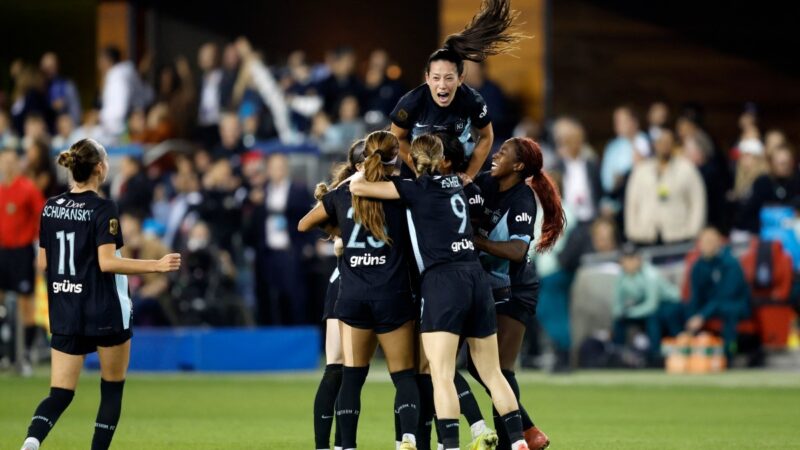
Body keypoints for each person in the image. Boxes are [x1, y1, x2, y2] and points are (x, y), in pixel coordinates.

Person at [350, 134, 530, 450]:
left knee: (442, 373)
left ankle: (450, 445)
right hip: (476, 277)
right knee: (493, 373)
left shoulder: (416, 189)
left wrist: (375, 161)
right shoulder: (456, 184)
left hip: (443, 281)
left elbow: (358, 187)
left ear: (413, 160)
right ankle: (517, 443)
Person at [19, 138, 180, 450]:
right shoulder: (104, 208)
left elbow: (42, 262)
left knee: (60, 393)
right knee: (112, 389)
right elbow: (107, 262)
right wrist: (156, 265)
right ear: (100, 169)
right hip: (102, 308)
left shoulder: (50, 207)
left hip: (66, 308)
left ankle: (31, 441)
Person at [299, 131, 419, 450]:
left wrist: (339, 229)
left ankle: (343, 446)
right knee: (405, 375)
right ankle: (406, 439)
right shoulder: (402, 193)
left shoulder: (342, 196)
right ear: (396, 159)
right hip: (392, 293)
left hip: (352, 296)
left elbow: (302, 225)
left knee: (350, 376)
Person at [470, 137, 564, 450]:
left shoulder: (523, 198)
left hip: (516, 288)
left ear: (519, 166)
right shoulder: (485, 182)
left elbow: (517, 249)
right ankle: (526, 431)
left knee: (498, 369)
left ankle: (516, 439)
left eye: (503, 153)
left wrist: (477, 242)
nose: (495, 155)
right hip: (487, 284)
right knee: (479, 365)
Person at [389, 0, 526, 179]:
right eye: (436, 78)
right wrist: (418, 169)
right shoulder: (411, 102)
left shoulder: (472, 100)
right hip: (419, 177)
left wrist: (468, 176)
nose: (442, 85)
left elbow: (486, 137)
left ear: (460, 79)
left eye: (449, 78)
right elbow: (396, 138)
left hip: (457, 174)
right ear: (427, 78)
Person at [307, 138, 366, 450]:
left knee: (339, 369)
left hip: (342, 281)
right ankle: (340, 444)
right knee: (343, 369)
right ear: (359, 166)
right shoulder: (359, 196)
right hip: (353, 284)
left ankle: (330, 445)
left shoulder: (344, 196)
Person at [0, 148, 46, 376]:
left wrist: (40, 250)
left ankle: (26, 354)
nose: (6, 165)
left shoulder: (27, 189)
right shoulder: (0, 190)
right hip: (2, 251)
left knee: (25, 305)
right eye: (3, 161)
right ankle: (5, 353)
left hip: (22, 251)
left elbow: (43, 217)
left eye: (10, 161)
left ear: (18, 163)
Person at [624, 129, 706, 245]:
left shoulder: (687, 169)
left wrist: (693, 231)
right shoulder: (641, 171)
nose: (664, 146)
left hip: (678, 234)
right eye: (661, 142)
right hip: (645, 235)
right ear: (655, 144)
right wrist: (632, 230)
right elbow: (632, 203)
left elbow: (697, 202)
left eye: (668, 142)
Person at [685, 228, 750, 360]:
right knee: (677, 309)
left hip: (735, 304)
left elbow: (725, 296)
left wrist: (702, 315)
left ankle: (729, 353)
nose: (706, 245)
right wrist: (693, 315)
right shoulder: (698, 265)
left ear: (719, 242)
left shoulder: (730, 263)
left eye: (710, 241)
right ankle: (685, 350)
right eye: (703, 241)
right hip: (710, 306)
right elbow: (696, 294)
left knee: (728, 311)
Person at [612, 243, 682, 364]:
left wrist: (630, 313)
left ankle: (655, 357)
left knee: (653, 318)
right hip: (644, 306)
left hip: (669, 304)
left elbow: (651, 305)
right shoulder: (621, 276)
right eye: (626, 259)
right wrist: (621, 313)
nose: (629, 262)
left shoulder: (650, 274)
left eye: (632, 258)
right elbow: (617, 305)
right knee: (619, 321)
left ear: (639, 259)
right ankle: (617, 355)